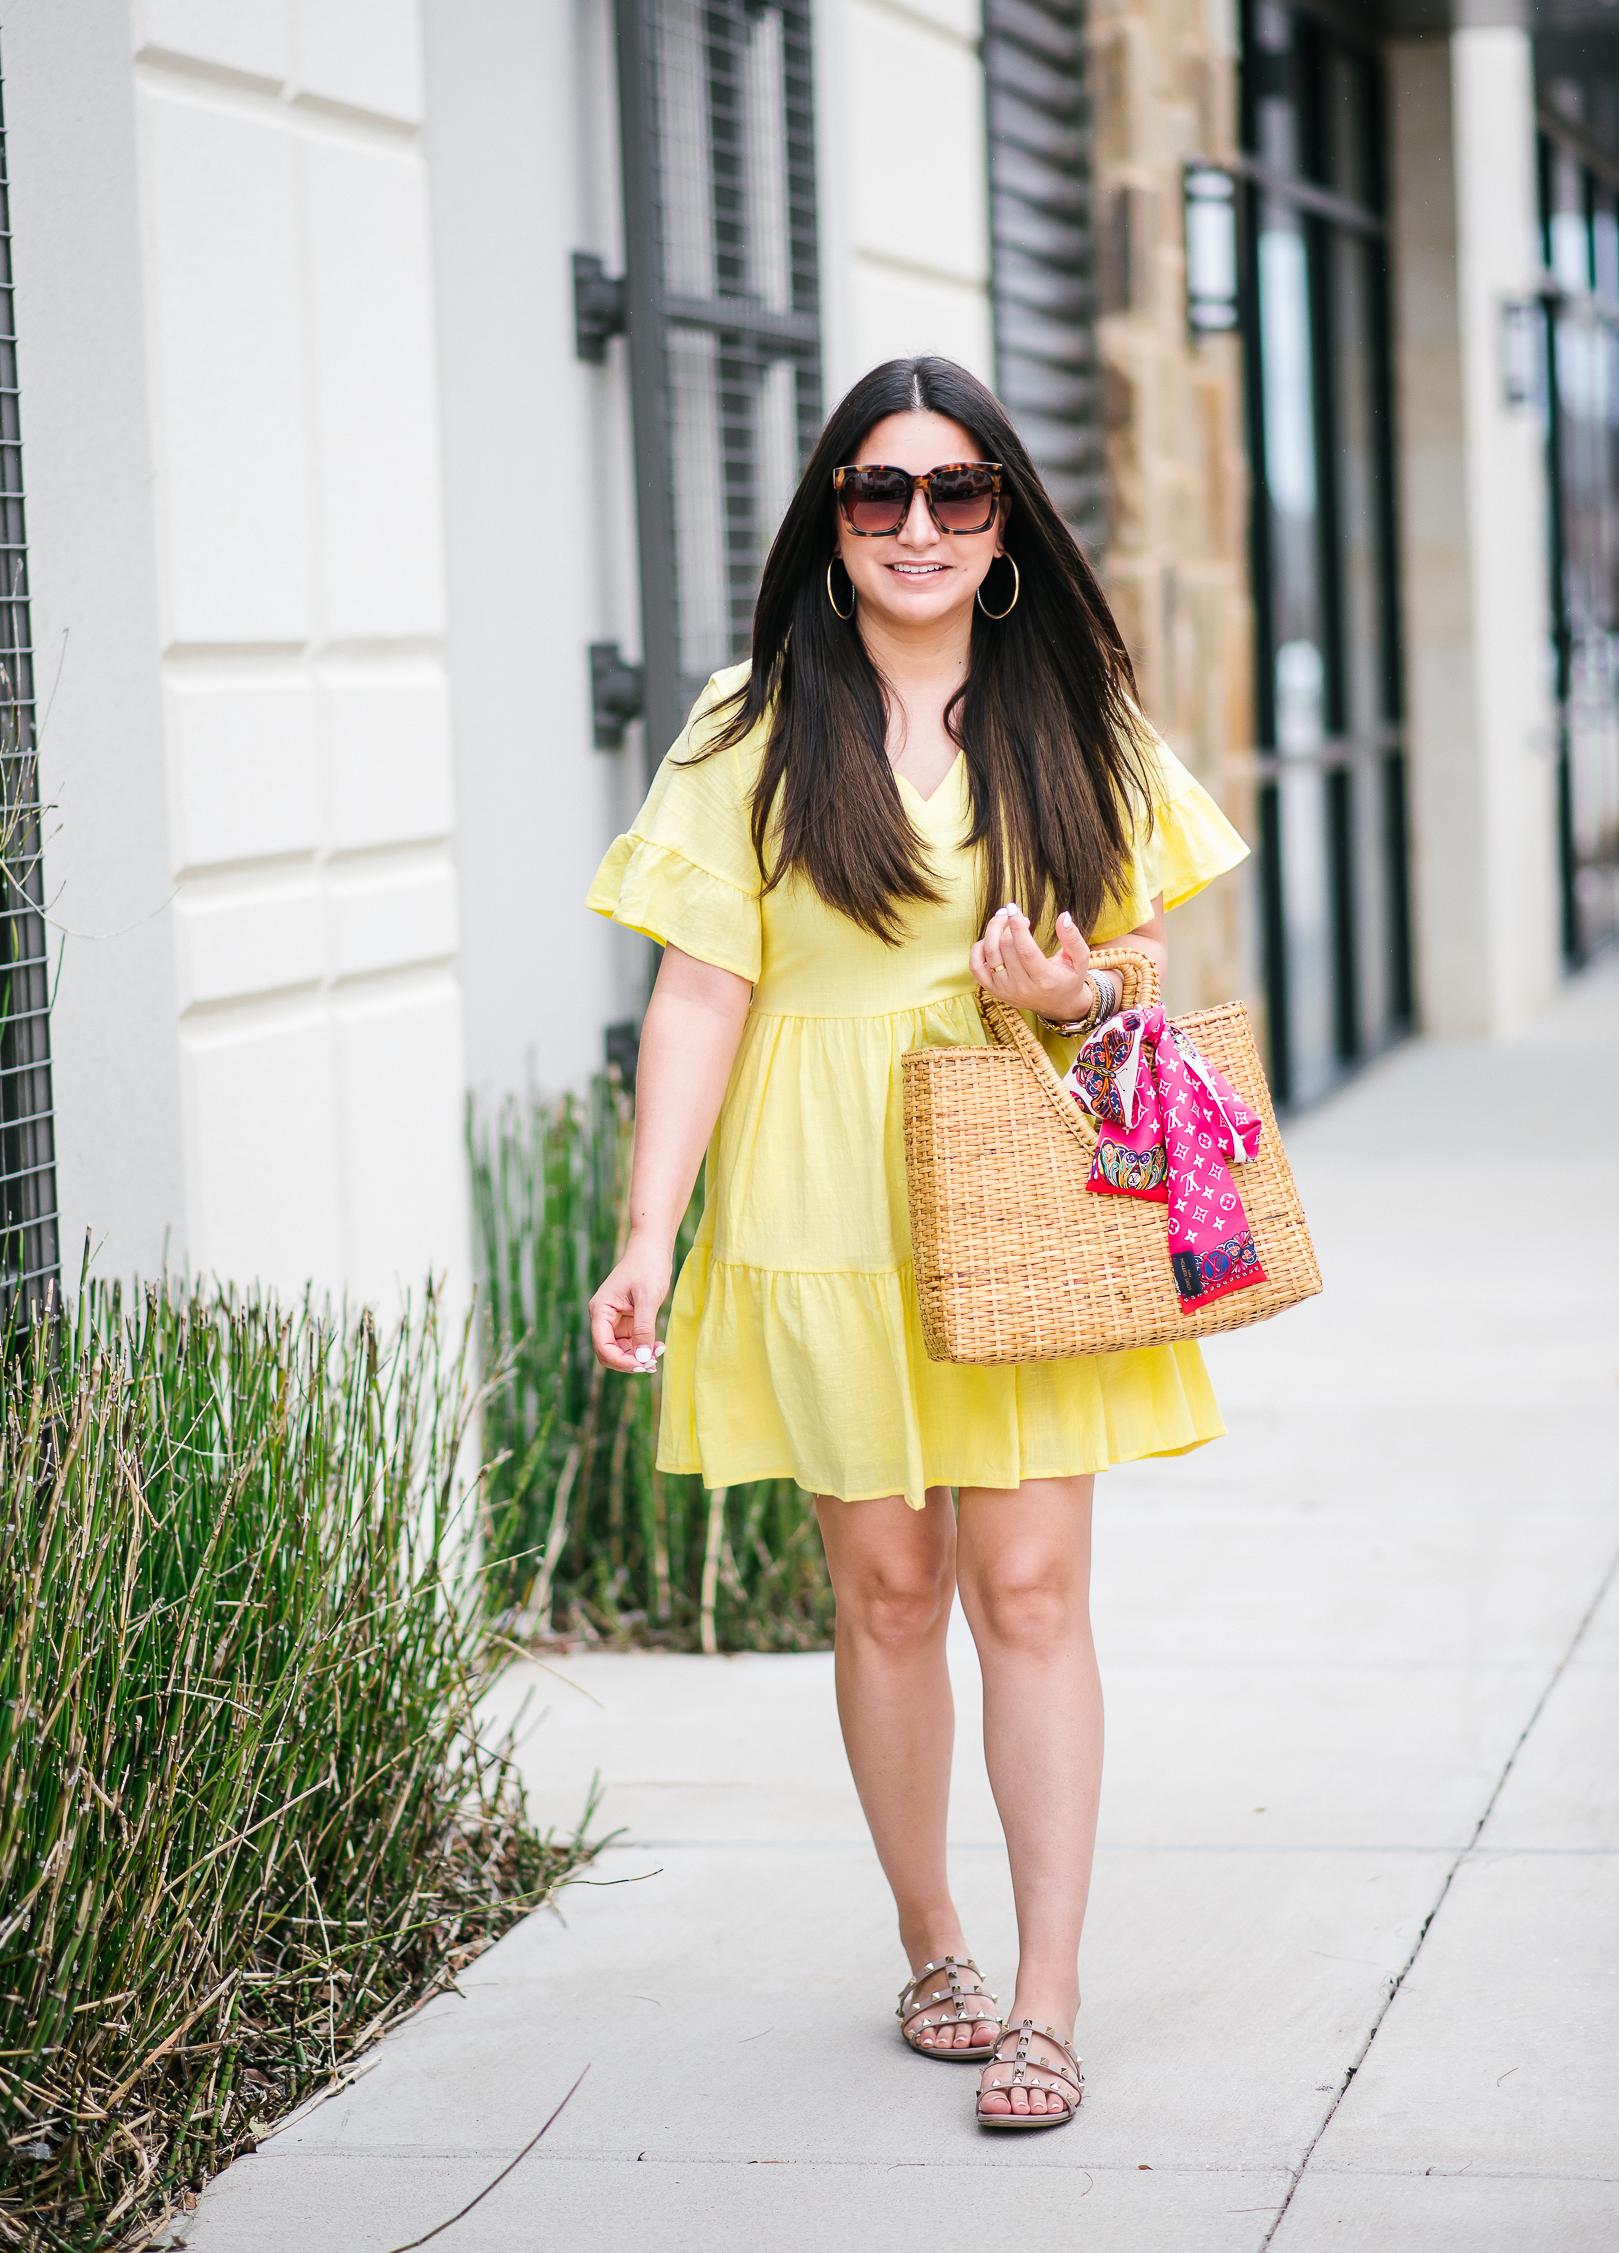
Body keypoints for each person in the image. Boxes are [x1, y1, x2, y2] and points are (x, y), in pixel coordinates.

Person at [586, 355, 1247, 2129]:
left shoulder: (1075, 715)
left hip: (1018, 1185)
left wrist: (1067, 990)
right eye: (878, 491)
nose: (917, 526)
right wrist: (647, 1235)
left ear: (1003, 520)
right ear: (830, 520)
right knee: (887, 1592)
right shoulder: (746, 725)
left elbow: (1138, 974)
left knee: (1029, 1590)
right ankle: (932, 1943)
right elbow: (700, 992)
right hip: (814, 1201)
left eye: (956, 491)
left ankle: (1047, 1999)